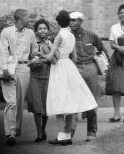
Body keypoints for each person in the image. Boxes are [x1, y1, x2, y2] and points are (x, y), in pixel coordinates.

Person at [38, 10, 97, 146]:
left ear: (58, 22)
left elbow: (49, 56)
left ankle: (61, 136)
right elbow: (75, 57)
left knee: (60, 102)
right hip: (70, 67)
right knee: (70, 102)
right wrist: (69, 66)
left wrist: (40, 52)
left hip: (59, 67)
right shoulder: (71, 35)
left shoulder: (59, 36)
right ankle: (68, 136)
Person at [0, 9, 38, 146]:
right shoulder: (6, 32)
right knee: (11, 102)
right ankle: (10, 133)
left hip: (24, 68)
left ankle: (14, 132)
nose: (29, 19)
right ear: (20, 17)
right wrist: (4, 68)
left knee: (19, 103)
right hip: (8, 69)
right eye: (28, 16)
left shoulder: (30, 33)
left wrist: (35, 58)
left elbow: (35, 50)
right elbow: (2, 51)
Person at [69, 11, 109, 142]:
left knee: (92, 101)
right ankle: (69, 132)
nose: (72, 22)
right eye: (70, 20)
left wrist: (102, 65)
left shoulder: (91, 35)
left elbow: (103, 49)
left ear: (80, 21)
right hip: (74, 68)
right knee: (73, 101)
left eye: (74, 20)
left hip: (90, 67)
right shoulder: (67, 36)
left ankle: (91, 131)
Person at [26, 19, 56, 143]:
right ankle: (39, 133)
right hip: (35, 77)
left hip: (48, 77)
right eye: (40, 28)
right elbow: (27, 60)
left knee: (45, 107)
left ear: (48, 30)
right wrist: (32, 61)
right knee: (37, 107)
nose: (43, 30)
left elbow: (55, 60)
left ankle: (43, 129)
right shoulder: (32, 44)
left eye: (45, 28)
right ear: (36, 31)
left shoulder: (51, 43)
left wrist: (45, 57)